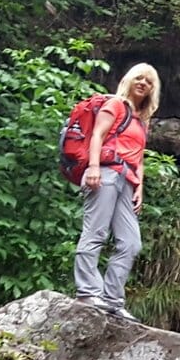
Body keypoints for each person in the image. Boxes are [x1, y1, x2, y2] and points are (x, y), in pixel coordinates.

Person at [74, 63, 159, 322]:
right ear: (129, 79)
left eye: (149, 81)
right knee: (96, 232)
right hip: (106, 173)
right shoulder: (116, 105)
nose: (143, 83)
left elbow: (139, 158)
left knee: (131, 243)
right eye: (139, 78)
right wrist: (93, 167)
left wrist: (139, 188)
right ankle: (88, 292)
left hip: (127, 181)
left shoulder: (141, 121)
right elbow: (97, 136)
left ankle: (112, 300)